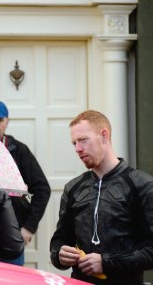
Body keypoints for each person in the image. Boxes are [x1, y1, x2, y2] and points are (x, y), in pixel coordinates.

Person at [50, 110, 153, 284]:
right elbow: (59, 241)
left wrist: (106, 263)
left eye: (83, 140)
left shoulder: (141, 186)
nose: (77, 149)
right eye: (74, 143)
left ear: (104, 136)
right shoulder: (73, 188)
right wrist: (60, 254)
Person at [0, 99, 51, 265]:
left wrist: (29, 227)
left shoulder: (19, 151)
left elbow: (42, 189)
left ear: (7, 122)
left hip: (10, 237)